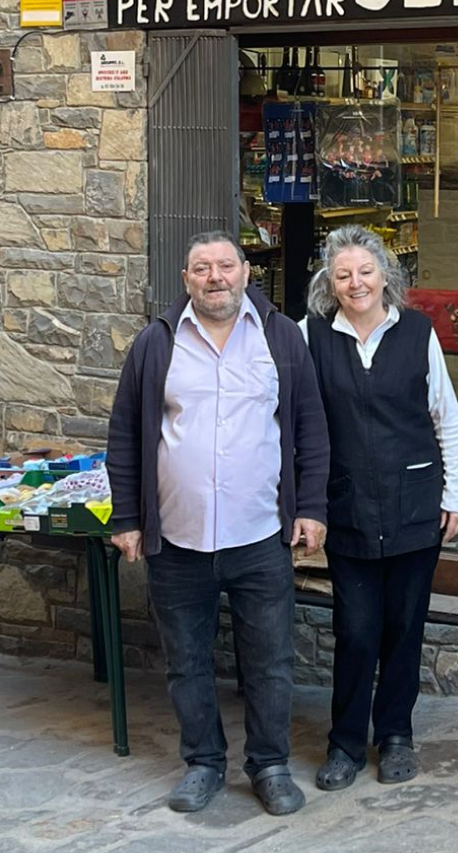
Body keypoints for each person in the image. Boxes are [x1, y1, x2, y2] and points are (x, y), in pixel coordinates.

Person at [106, 229, 329, 817]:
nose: (215, 278)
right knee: (186, 662)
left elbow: (310, 427)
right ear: (186, 281)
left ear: (246, 273)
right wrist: (128, 516)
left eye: (225, 266)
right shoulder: (155, 344)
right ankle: (203, 763)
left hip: (259, 535)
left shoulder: (280, 338)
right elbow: (125, 436)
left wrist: (310, 509)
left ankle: (270, 764)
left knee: (271, 660)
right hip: (177, 539)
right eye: (201, 268)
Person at [297, 225, 458, 792]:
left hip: (414, 506)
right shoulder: (311, 337)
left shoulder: (417, 332)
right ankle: (345, 744)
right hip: (348, 507)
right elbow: (293, 419)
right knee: (355, 630)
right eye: (343, 274)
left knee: (404, 627)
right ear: (330, 281)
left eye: (365, 272)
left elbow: (446, 418)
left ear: (385, 276)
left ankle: (395, 735)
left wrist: (456, 496)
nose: (355, 283)